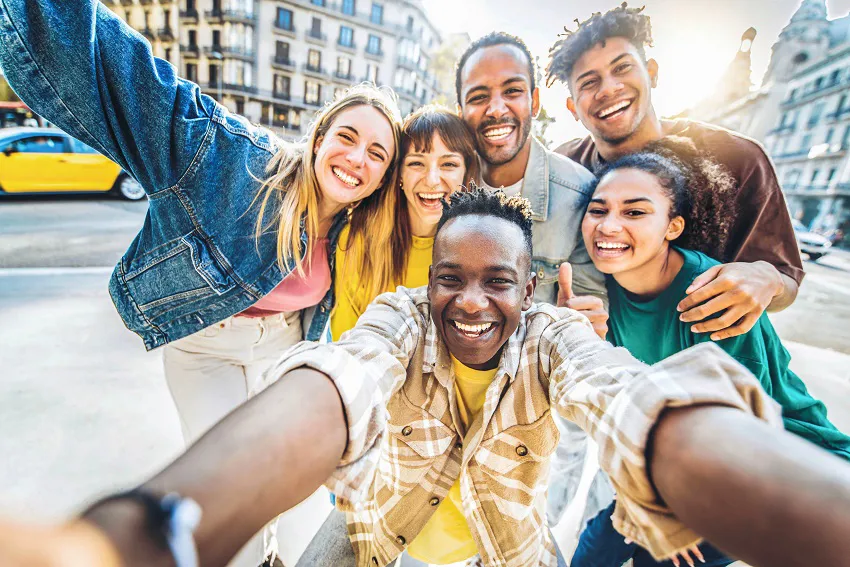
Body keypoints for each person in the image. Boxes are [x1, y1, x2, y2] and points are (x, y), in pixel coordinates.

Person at [4, 187, 850, 567]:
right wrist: (139, 533)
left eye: (499, 282)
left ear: (533, 288)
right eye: (453, 276)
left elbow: (633, 398)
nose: (471, 301)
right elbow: (333, 386)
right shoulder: (400, 319)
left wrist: (813, 514)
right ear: (429, 276)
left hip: (507, 550)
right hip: (376, 537)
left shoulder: (554, 337)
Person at [0, 2, 403, 566]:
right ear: (319, 138)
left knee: (300, 514)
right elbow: (132, 77)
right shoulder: (234, 160)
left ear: (384, 175)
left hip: (287, 348)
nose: (356, 158)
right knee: (230, 504)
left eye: (376, 153)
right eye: (347, 136)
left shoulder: (362, 228)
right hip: (206, 351)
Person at [570, 139, 850, 567]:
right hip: (674, 458)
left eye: (635, 212)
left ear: (673, 227)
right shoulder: (601, 285)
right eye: (598, 209)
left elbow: (746, 426)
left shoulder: (713, 295)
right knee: (591, 554)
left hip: (777, 460)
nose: (608, 225)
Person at [547, 3, 804, 342]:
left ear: (651, 72)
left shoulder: (737, 158)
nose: (608, 89)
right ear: (573, 107)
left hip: (707, 373)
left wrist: (764, 279)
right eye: (589, 82)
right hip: (602, 374)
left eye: (622, 68)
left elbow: (785, 278)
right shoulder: (563, 170)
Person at [455, 33, 611, 533]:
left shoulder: (582, 196)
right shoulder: (442, 184)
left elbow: (594, 309)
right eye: (479, 96)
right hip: (456, 413)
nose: (496, 108)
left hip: (543, 428)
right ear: (461, 108)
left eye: (512, 90)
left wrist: (584, 322)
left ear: (535, 101)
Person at [331, 104, 479, 340]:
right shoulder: (355, 242)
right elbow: (346, 341)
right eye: (416, 163)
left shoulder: (478, 251)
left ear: (465, 173)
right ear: (399, 173)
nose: (431, 180)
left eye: (448, 164)